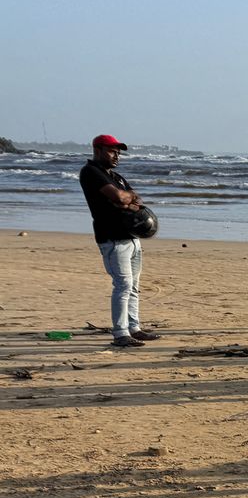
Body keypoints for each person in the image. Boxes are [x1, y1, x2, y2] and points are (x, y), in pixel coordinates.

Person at [79, 134, 157, 348]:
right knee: (123, 285)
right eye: (112, 151)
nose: (117, 156)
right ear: (98, 150)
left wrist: (124, 201)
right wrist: (123, 200)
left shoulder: (115, 177)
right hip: (112, 238)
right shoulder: (91, 172)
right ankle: (120, 333)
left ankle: (134, 328)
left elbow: (135, 198)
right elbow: (121, 197)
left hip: (131, 237)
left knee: (134, 286)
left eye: (118, 153)